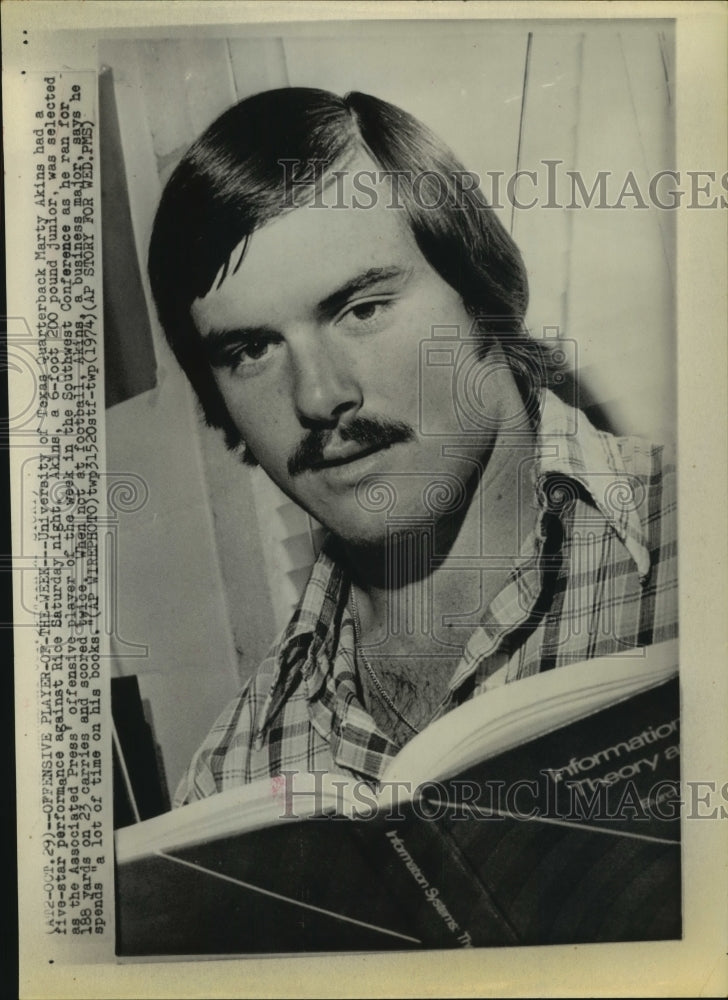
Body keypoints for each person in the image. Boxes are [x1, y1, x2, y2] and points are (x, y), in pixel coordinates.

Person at [146, 88, 677, 805]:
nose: (317, 396)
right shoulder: (227, 783)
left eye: (361, 310)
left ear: (480, 295)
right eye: (252, 350)